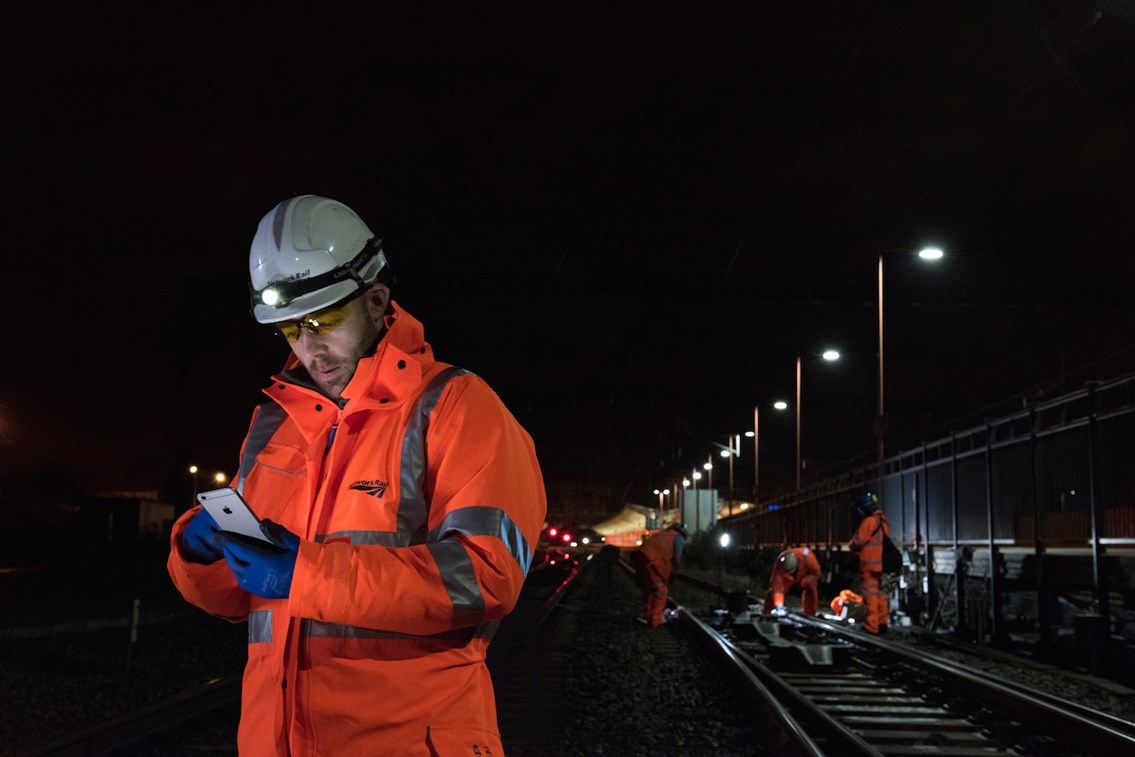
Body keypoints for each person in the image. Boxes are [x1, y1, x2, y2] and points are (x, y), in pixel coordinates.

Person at [167, 195, 547, 755]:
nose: (310, 348)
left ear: (376, 300)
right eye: (291, 329)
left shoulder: (457, 406)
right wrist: (199, 557)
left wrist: (306, 575)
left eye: (323, 320)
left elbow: (486, 576)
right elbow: (241, 599)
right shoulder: (276, 424)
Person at [849, 491, 890, 634]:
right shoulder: (882, 521)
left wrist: (852, 545)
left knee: (870, 595)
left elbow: (858, 541)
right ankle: (882, 622)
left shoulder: (869, 522)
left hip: (869, 564)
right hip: (879, 564)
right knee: (879, 593)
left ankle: (871, 626)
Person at [630, 523, 687, 626]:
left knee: (650, 590)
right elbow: (677, 559)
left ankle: (649, 617)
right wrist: (674, 573)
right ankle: (656, 620)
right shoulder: (677, 538)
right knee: (661, 591)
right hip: (651, 562)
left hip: (641, 558)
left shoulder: (663, 534)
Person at [761, 546, 821, 616]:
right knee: (772, 592)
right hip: (788, 576)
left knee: (809, 586)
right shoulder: (781, 563)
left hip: (806, 574)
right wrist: (779, 605)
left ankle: (810, 613)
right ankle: (767, 611)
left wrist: (808, 579)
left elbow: (817, 573)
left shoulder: (809, 558)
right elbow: (776, 587)